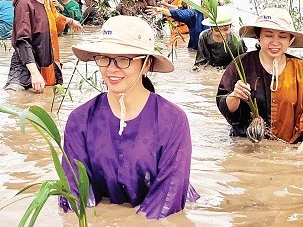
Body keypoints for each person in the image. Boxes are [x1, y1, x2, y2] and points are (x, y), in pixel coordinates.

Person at [60, 16, 199, 219]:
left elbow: (167, 202)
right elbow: (75, 198)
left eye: (123, 60)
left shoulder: (173, 120)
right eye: (104, 58)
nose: (111, 68)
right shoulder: (79, 120)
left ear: (146, 64)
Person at [216, 7, 303, 149]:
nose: (275, 42)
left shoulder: (300, 68)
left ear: (290, 40)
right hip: (247, 147)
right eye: (268, 35)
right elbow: (223, 104)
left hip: (288, 148)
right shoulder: (241, 64)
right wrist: (235, 95)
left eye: (282, 36)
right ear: (259, 36)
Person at [6, 0, 81, 92]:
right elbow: (22, 40)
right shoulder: (25, 4)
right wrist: (34, 73)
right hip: (25, 69)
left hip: (42, 67)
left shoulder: (45, 3)